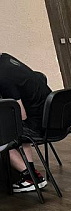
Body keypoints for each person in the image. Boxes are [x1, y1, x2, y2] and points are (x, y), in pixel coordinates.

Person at [0, 53, 50, 193]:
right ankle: (30, 173)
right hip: (51, 118)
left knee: (4, 135)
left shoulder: (3, 77)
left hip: (38, 126)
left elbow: (21, 116)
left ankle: (30, 176)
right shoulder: (6, 59)